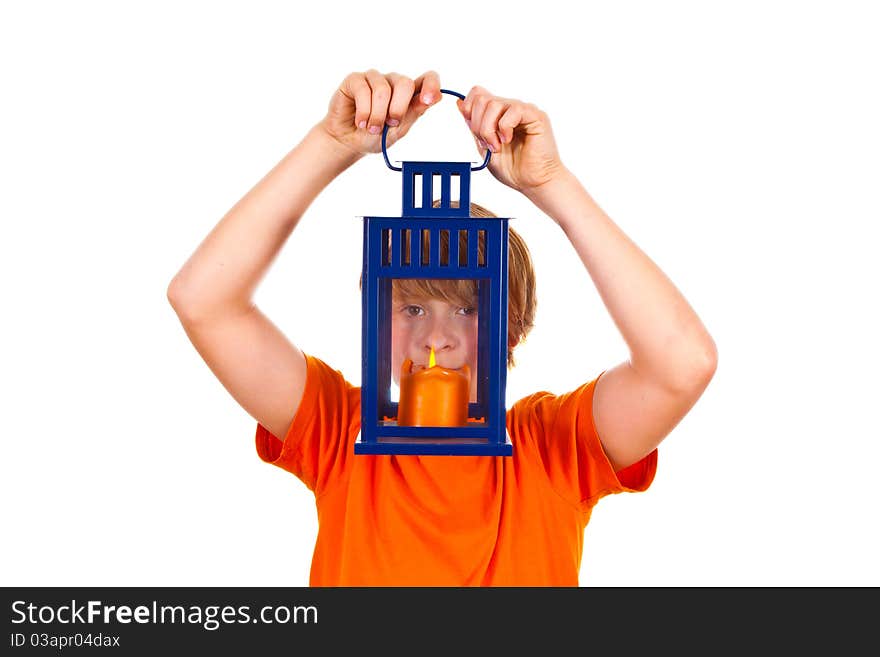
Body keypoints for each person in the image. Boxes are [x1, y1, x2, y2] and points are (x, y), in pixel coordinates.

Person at [167, 69, 718, 586]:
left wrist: (552, 185)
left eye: (466, 308)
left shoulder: (550, 449)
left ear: (512, 330)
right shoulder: (341, 433)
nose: (436, 338)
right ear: (379, 327)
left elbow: (682, 363)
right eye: (412, 309)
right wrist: (330, 146)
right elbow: (203, 300)